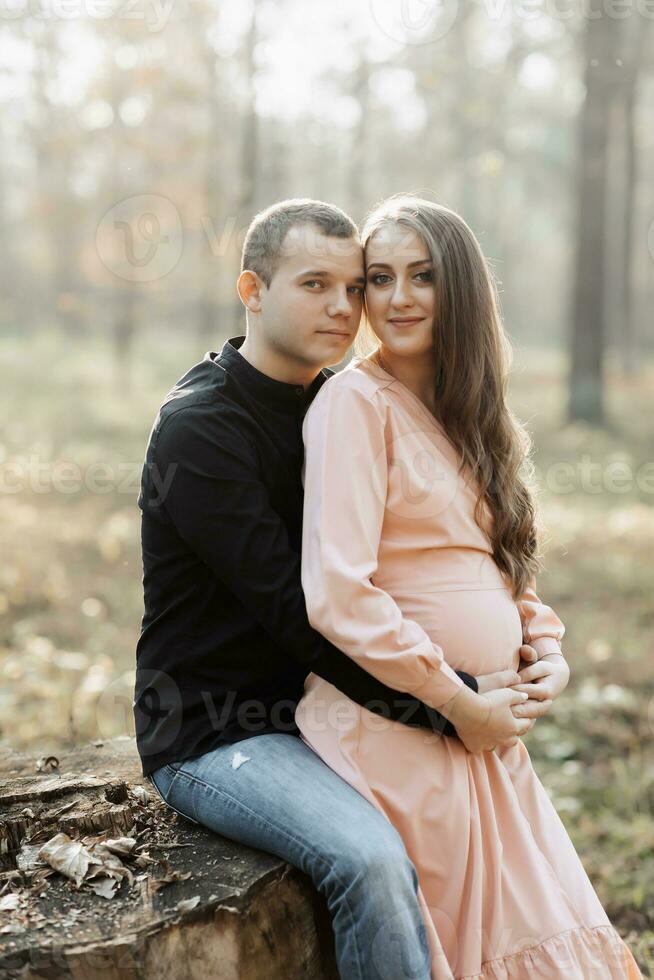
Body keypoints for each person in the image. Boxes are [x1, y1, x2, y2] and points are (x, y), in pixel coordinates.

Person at [133, 199, 552, 980]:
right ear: (252, 290)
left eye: (353, 286)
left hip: (333, 712)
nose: (344, 306)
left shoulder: (339, 403)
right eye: (314, 284)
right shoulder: (201, 428)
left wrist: (522, 661)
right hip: (222, 732)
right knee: (368, 862)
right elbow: (300, 616)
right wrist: (452, 706)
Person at [296, 194, 643, 979]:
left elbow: (495, 567)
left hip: (483, 728)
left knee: (542, 931)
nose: (397, 298)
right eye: (378, 278)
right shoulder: (354, 404)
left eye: (422, 276)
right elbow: (338, 592)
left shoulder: (471, 412)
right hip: (402, 722)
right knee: (463, 944)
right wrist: (455, 702)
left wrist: (545, 654)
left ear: (462, 288)